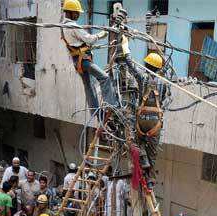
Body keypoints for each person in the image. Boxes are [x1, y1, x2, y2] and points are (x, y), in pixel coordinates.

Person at [120, 37, 170, 177]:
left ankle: (143, 160)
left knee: (136, 141)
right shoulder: (164, 82)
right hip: (156, 123)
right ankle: (149, 178)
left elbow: (130, 64)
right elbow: (168, 100)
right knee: (153, 152)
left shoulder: (143, 77)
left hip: (141, 120)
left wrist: (125, 46)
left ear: (147, 65)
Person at [60, 0, 115, 112]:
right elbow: (89, 39)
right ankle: (110, 106)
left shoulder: (62, 26)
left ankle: (95, 113)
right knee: (104, 78)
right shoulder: (73, 26)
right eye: (76, 13)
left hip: (77, 61)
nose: (78, 15)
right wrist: (101, 34)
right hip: (84, 61)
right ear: (69, 12)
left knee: (89, 86)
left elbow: (78, 43)